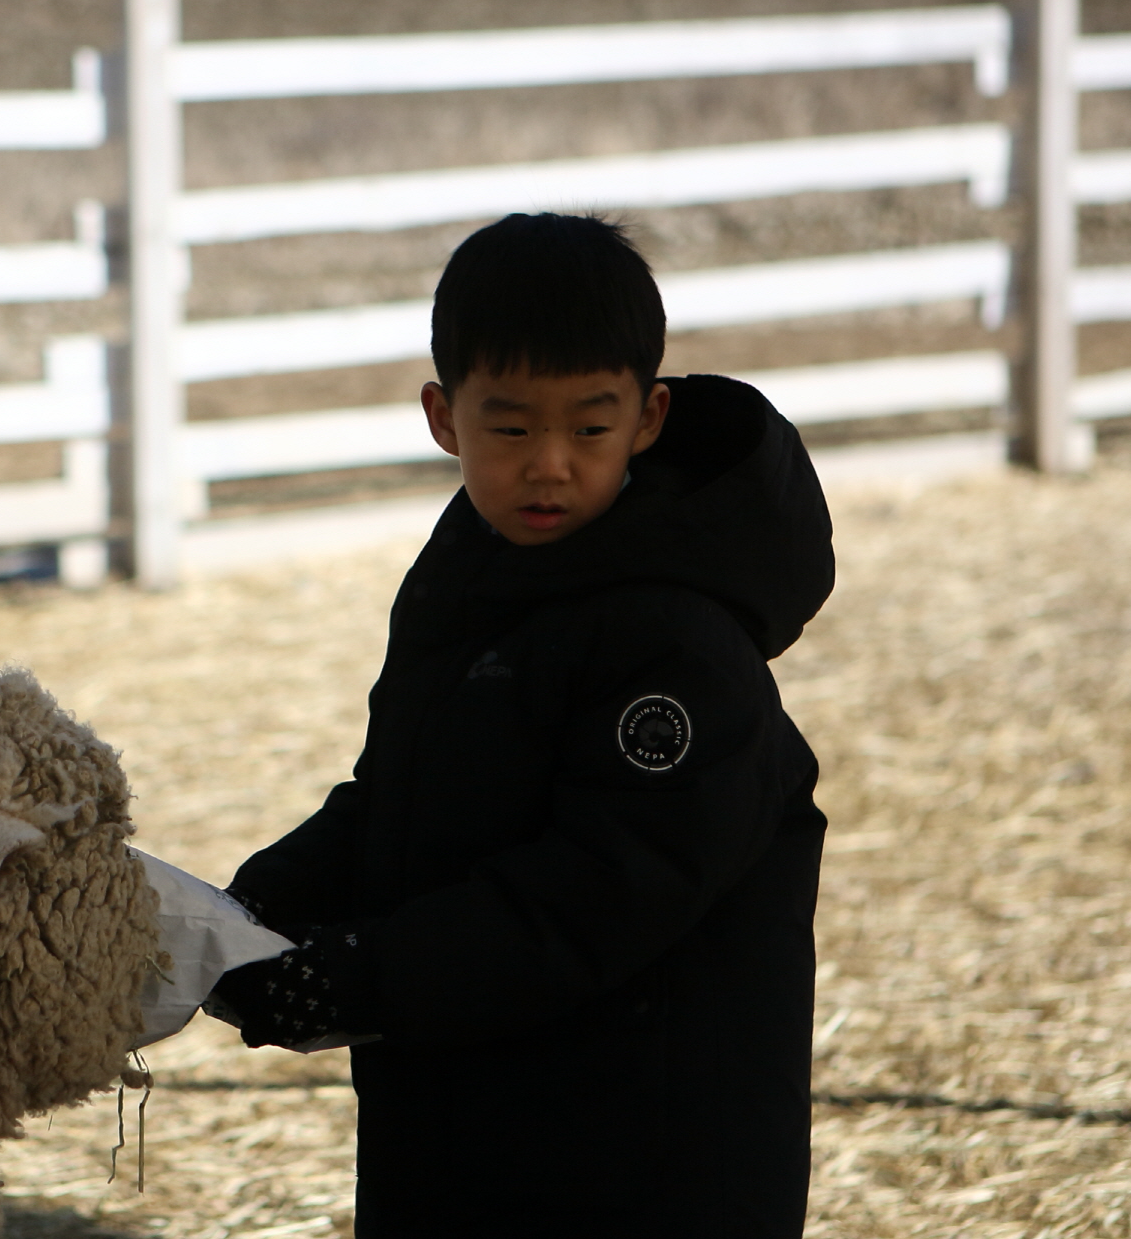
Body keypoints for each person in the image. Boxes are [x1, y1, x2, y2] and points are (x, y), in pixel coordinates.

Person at [208, 212, 835, 1237]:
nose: (549, 464)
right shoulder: (468, 577)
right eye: (510, 429)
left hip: (641, 1161)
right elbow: (406, 796)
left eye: (588, 429)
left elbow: (599, 891)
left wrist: (356, 976)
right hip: (475, 1128)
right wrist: (263, 899)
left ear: (647, 417)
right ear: (443, 416)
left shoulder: (675, 641)